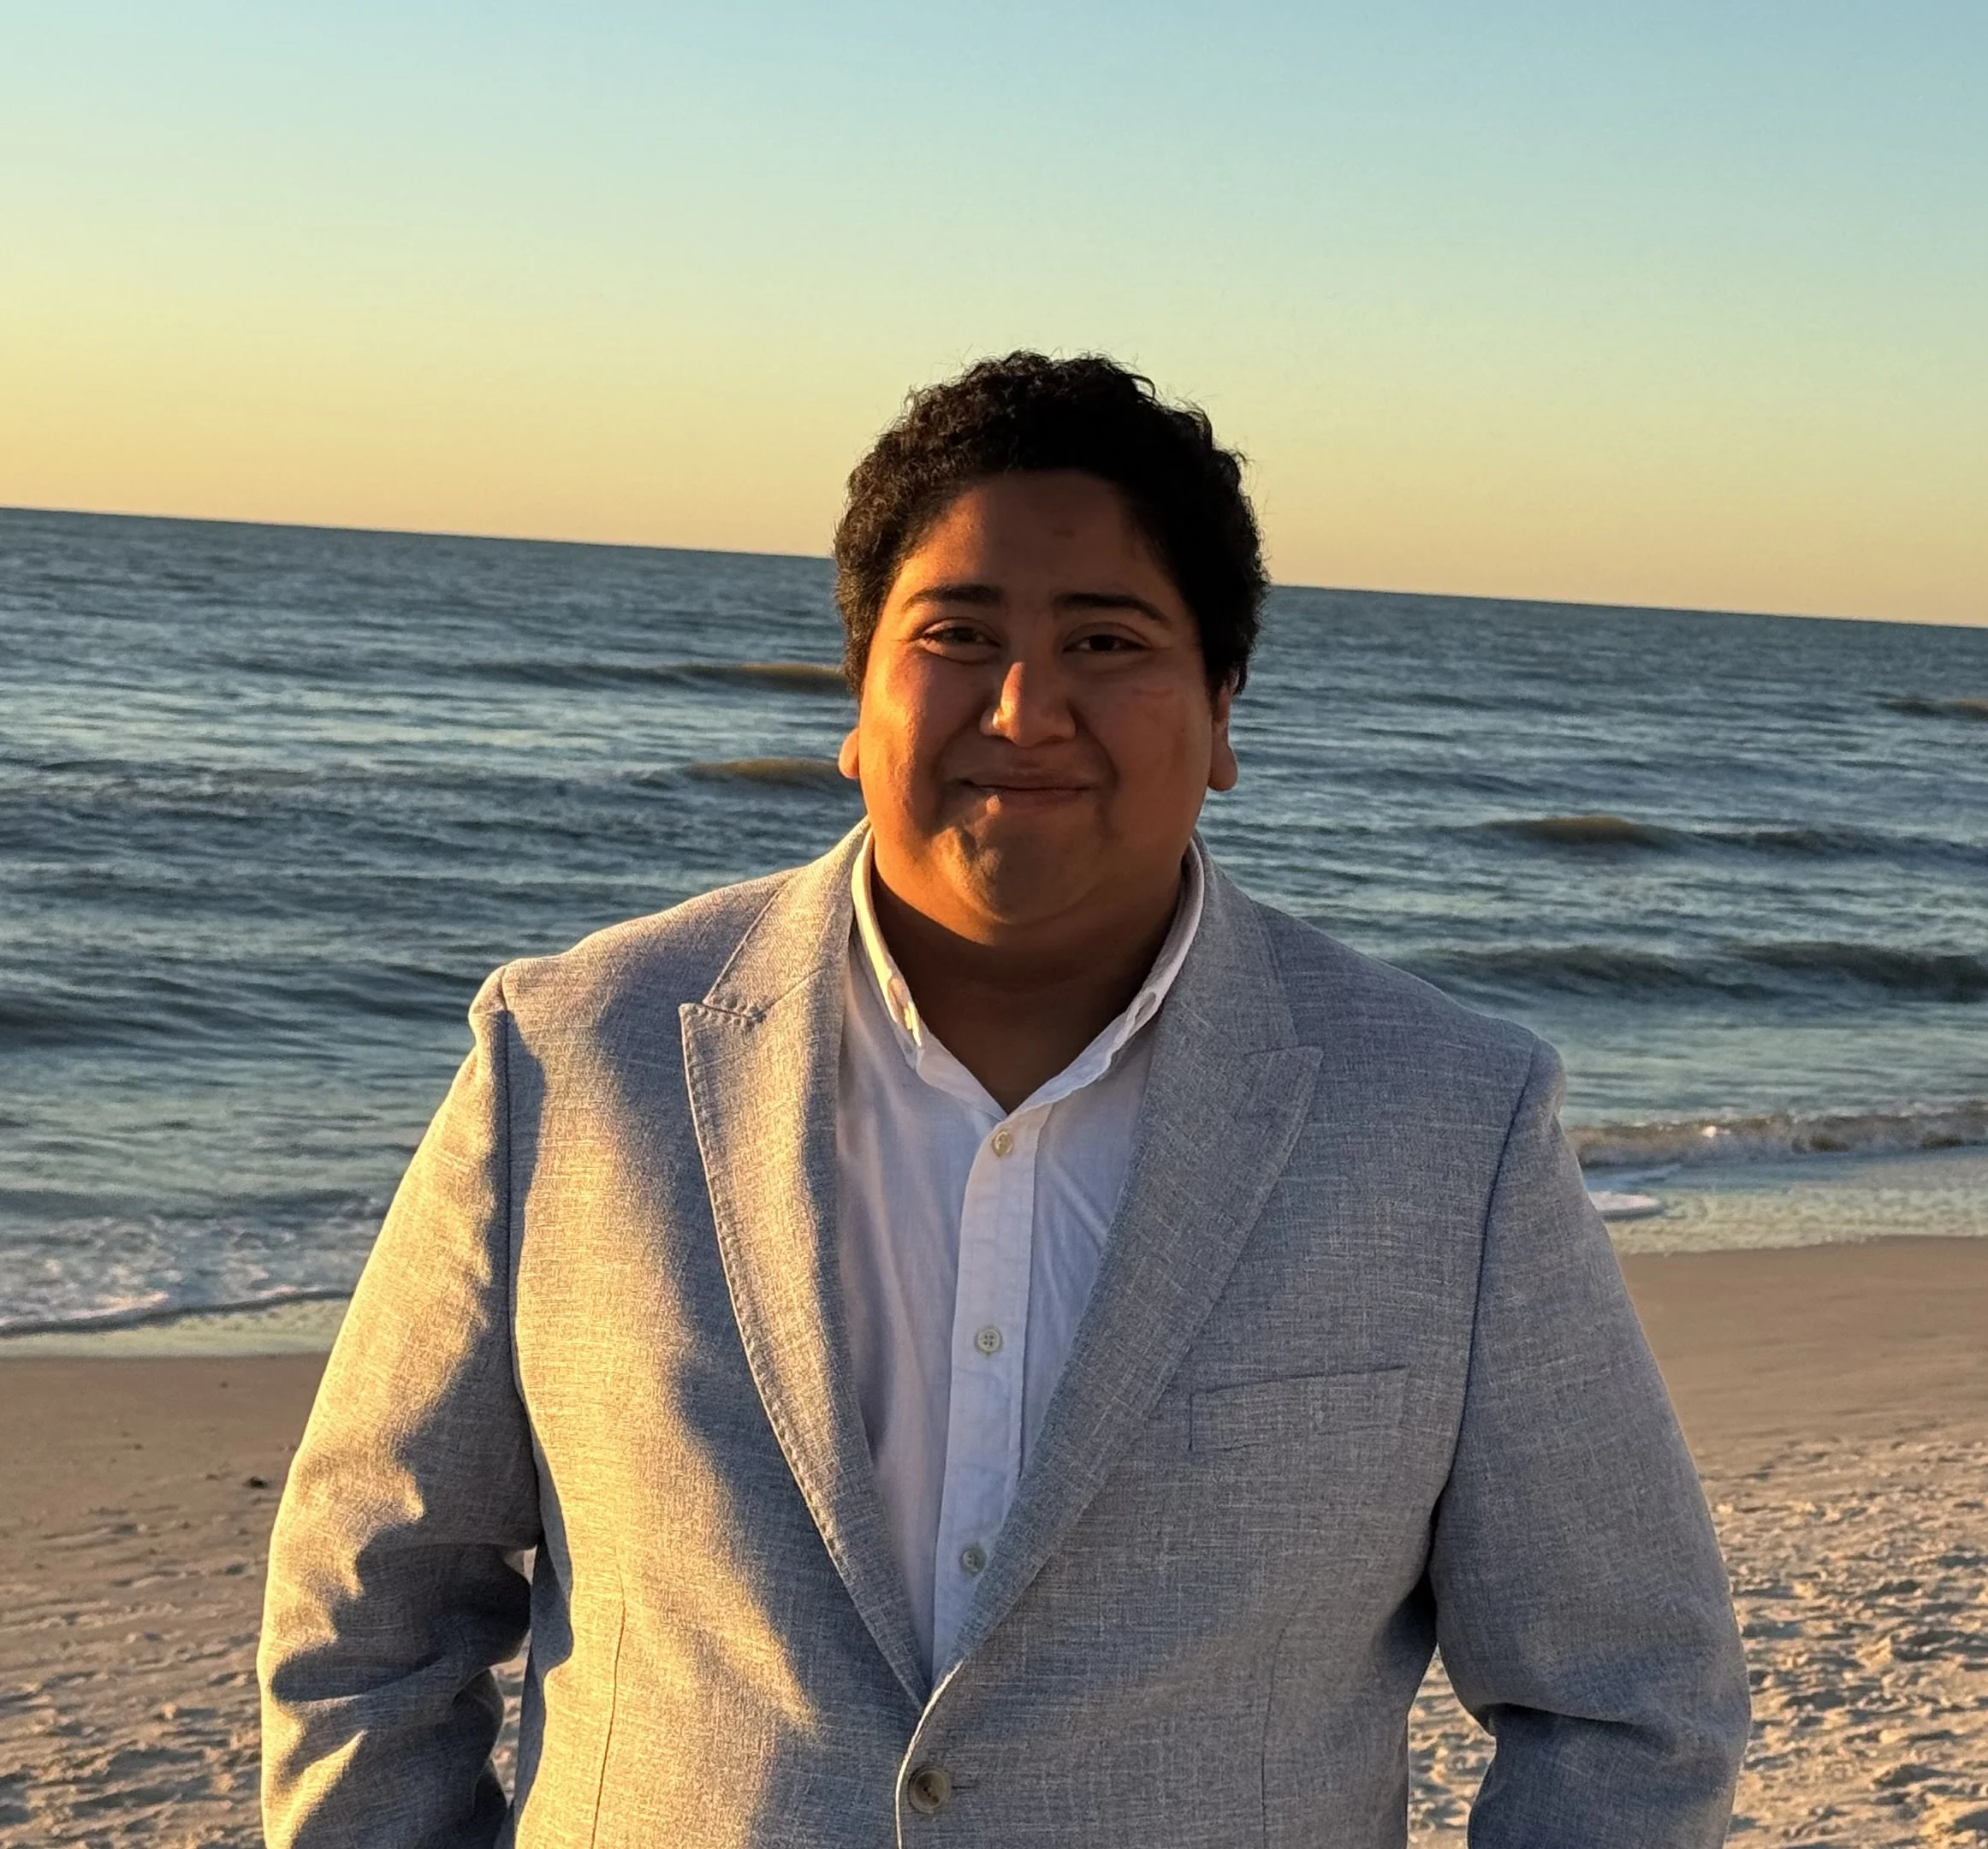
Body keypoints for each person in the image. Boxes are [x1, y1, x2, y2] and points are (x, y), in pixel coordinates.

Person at [258, 352, 1749, 1846]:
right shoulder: (581, 1057)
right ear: (858, 696)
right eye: (958, 633)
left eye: (1106, 640)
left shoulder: (1445, 1123)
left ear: (1221, 713)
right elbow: (371, 1609)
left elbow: (1623, 1700)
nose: (1025, 709)